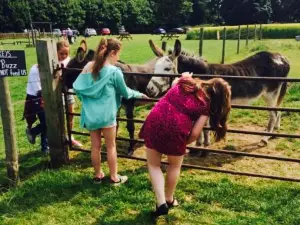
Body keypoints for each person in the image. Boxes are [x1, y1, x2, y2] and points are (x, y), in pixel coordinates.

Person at [139, 74, 232, 217]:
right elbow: (195, 133)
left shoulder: (185, 82)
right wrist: (184, 142)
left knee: (153, 165)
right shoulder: (206, 106)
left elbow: (175, 82)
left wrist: (184, 76)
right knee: (174, 166)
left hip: (155, 119)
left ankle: (161, 202)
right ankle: (169, 199)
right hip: (177, 130)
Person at [73, 38, 148, 185]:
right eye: (118, 54)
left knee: (95, 147)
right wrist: (139, 94)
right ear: (112, 52)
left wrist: (85, 101)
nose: (119, 57)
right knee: (111, 146)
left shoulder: (88, 66)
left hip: (91, 115)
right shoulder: (114, 72)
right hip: (107, 116)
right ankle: (114, 177)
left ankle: (97, 176)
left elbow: (77, 87)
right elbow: (125, 92)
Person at [56, 40, 83, 147]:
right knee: (59, 114)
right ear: (55, 52)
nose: (64, 56)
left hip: (68, 89)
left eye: (66, 53)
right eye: (61, 53)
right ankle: (61, 136)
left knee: (71, 112)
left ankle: (70, 135)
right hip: (56, 92)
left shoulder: (69, 61)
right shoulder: (52, 61)